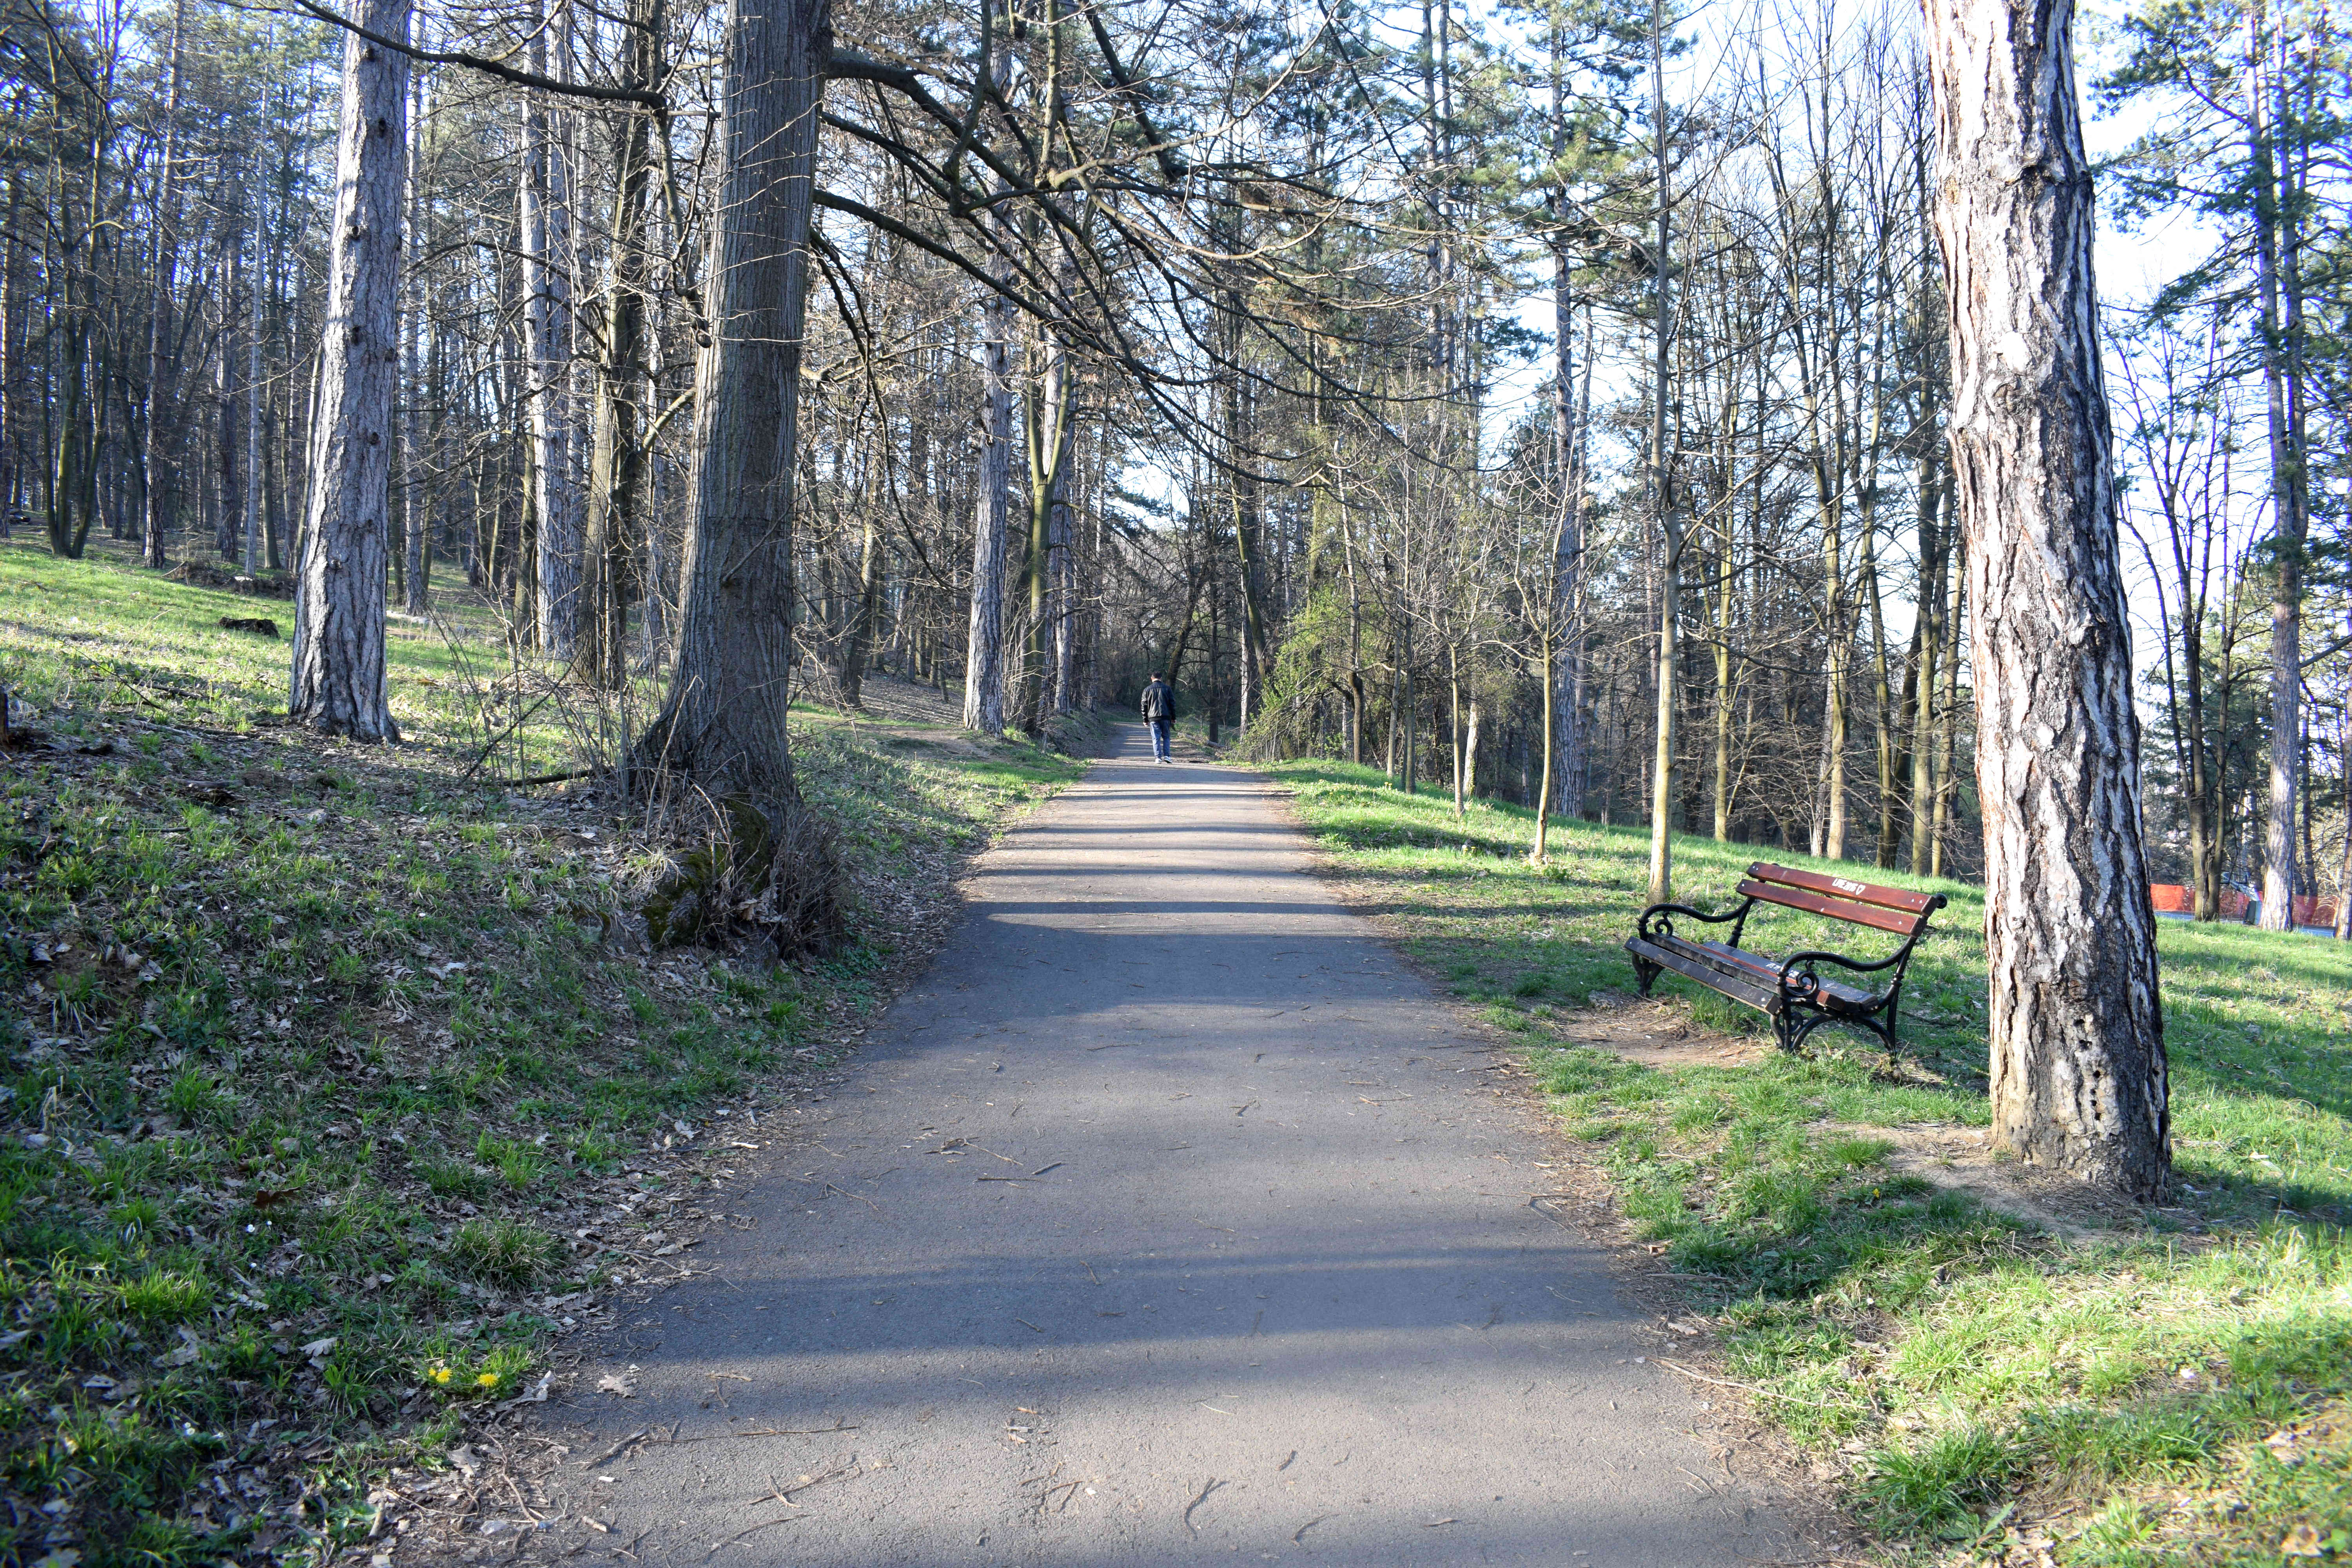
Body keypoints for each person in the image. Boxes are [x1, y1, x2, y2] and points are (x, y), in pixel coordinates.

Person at [1140, 671, 1176, 763]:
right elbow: (1172, 704)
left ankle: (1158, 758)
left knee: (1156, 737)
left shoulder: (1147, 690)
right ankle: (1167, 756)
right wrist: (1174, 717)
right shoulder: (1168, 689)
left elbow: (1144, 705)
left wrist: (1145, 719)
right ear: (1161, 678)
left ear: (1152, 678)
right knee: (1167, 737)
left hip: (1153, 717)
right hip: (1166, 716)